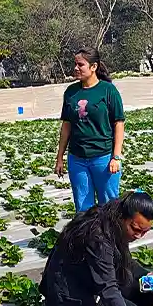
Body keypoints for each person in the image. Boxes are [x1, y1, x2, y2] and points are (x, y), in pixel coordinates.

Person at [40, 191, 153, 306]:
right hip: (71, 298)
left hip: (89, 283)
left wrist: (148, 276)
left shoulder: (113, 220)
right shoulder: (97, 236)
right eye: (135, 229)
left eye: (144, 232)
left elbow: (125, 262)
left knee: (143, 288)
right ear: (124, 216)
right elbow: (108, 288)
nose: (139, 236)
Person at [54, 47, 125, 213]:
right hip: (77, 159)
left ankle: (109, 238)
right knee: (83, 208)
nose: (76, 68)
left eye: (80, 64)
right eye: (75, 64)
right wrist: (60, 157)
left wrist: (116, 156)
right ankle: (87, 239)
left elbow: (119, 124)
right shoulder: (71, 92)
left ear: (94, 67)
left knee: (109, 207)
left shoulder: (108, 91)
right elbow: (66, 126)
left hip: (103, 158)